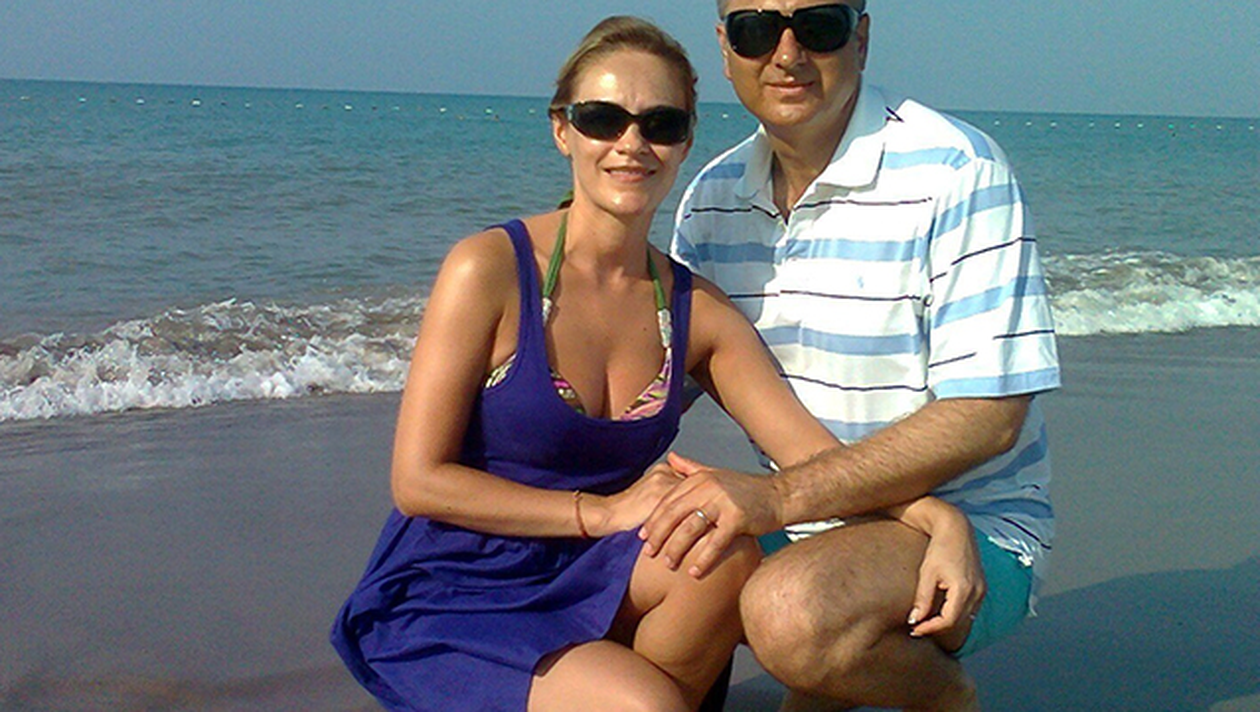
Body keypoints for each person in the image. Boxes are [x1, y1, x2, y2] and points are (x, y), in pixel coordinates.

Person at [331, 15, 981, 712]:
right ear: (563, 129)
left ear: (685, 143)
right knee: (647, 705)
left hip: (600, 572)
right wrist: (604, 512)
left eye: (660, 124)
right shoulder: (489, 270)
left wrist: (934, 517)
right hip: (461, 580)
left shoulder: (693, 311)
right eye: (603, 119)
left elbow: (809, 453)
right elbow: (419, 482)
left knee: (722, 551)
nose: (631, 144)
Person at [643, 1, 1062, 710]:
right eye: (754, 30)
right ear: (725, 48)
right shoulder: (713, 197)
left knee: (790, 612)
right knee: (622, 560)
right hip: (803, 521)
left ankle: (939, 696)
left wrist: (776, 497)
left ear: (860, 38)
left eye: (819, 26)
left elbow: (989, 417)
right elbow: (664, 378)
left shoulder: (956, 171)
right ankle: (823, 674)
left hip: (969, 531)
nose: (786, 54)